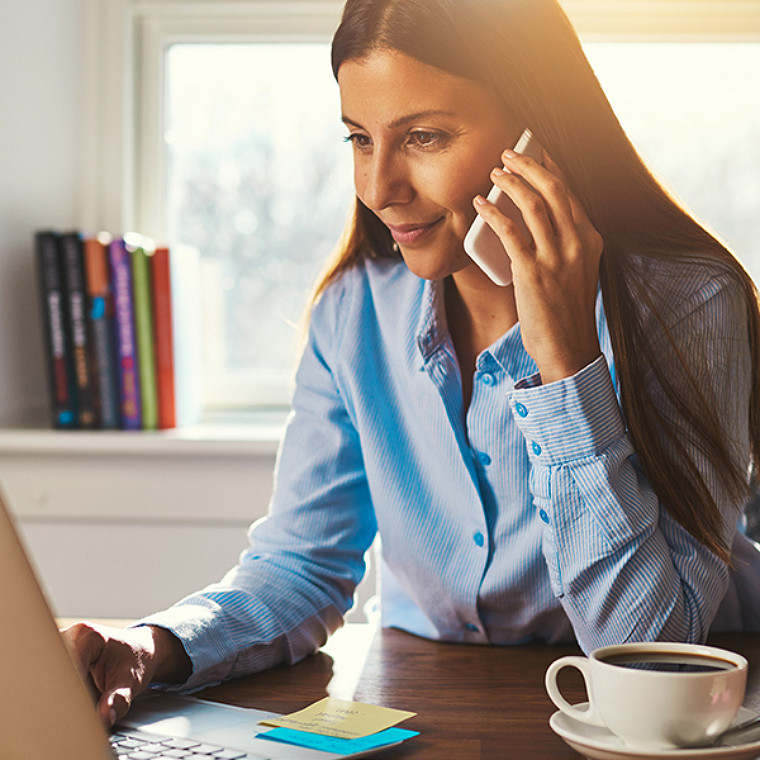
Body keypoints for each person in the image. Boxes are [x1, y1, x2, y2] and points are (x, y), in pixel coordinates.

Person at [64, 0, 760, 728]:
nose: (378, 187)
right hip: (421, 715)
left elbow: (651, 652)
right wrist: (149, 645)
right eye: (360, 139)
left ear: (539, 133)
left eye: (424, 136)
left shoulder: (688, 305)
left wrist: (565, 366)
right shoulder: (354, 311)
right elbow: (302, 567)